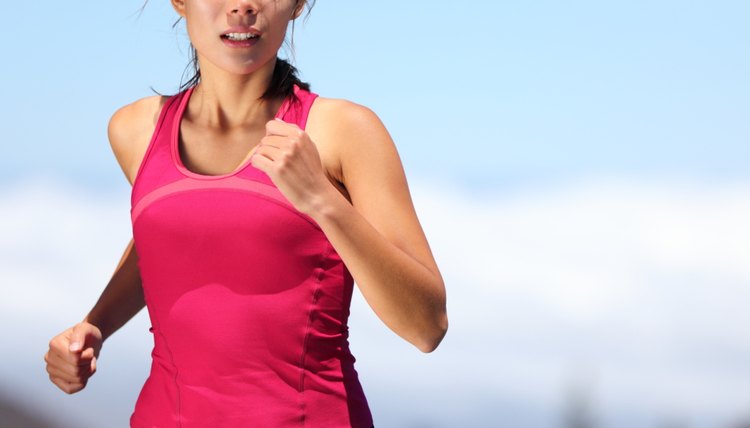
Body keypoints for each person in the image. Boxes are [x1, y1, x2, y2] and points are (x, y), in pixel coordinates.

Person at [44, 0, 448, 426]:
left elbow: (426, 327)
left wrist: (322, 201)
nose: (242, 6)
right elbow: (176, 241)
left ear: (297, 5)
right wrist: (95, 325)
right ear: (179, 2)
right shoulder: (134, 129)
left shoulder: (343, 131)